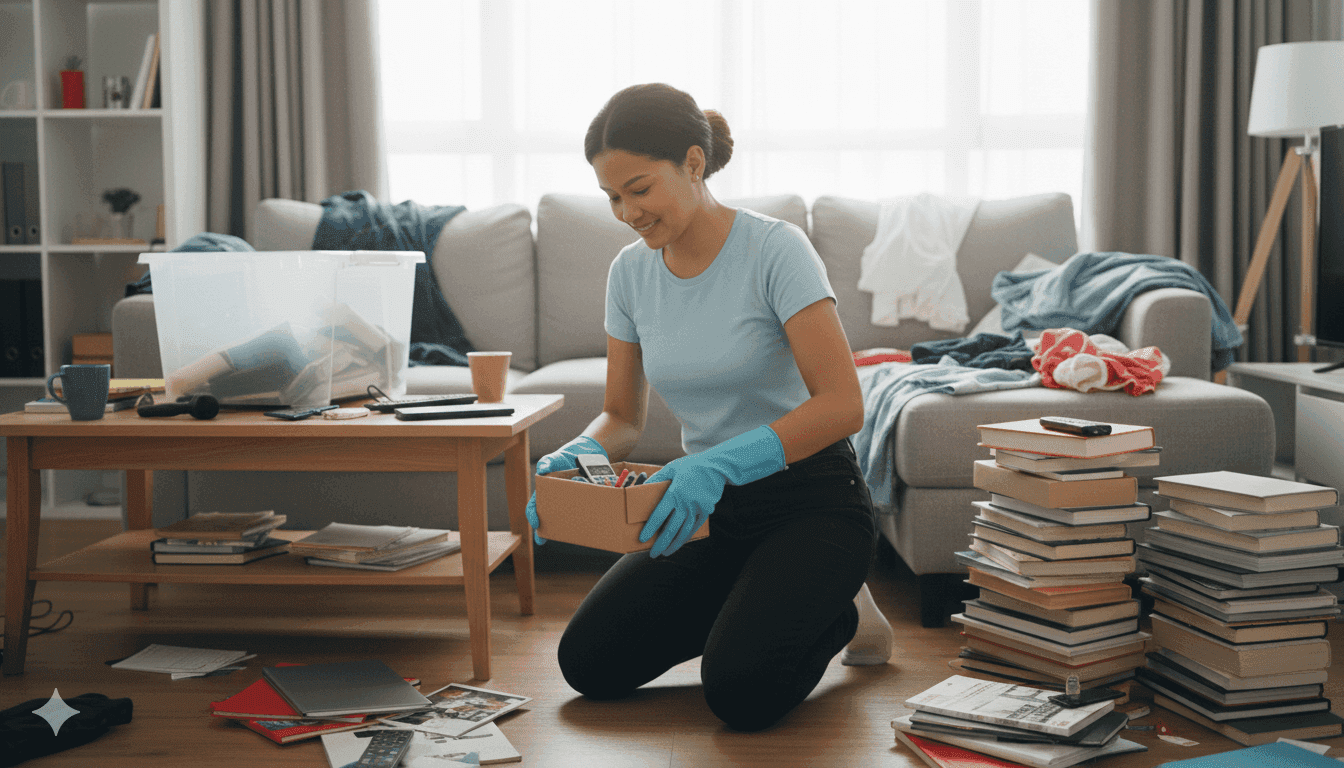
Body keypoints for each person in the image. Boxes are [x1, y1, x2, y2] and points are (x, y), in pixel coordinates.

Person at [525, 82, 892, 732]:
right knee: (589, 663)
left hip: (812, 501)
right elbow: (621, 417)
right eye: (612, 197)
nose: (627, 212)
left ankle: (841, 609)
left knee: (740, 693)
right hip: (701, 513)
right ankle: (761, 598)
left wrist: (718, 464)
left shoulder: (775, 249)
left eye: (639, 189)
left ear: (694, 163)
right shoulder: (629, 274)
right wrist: (579, 454)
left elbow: (842, 405)